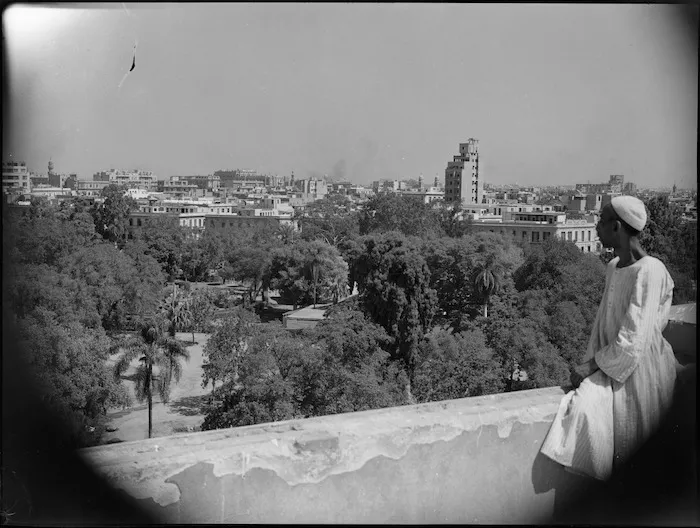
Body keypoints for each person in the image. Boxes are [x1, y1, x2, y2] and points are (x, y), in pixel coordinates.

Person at [540, 195, 678, 480]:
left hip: (644, 374)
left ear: (616, 227)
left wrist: (591, 367)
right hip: (613, 365)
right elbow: (604, 325)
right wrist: (591, 363)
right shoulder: (614, 266)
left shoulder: (651, 270)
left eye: (601, 222)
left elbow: (635, 337)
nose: (596, 228)